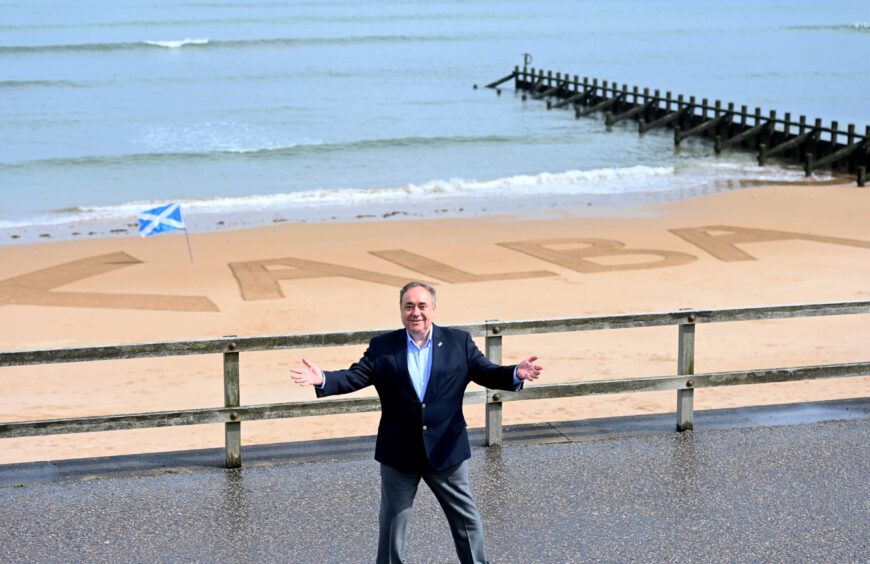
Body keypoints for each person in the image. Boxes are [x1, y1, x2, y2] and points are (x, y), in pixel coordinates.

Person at [290, 281, 543, 564]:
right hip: (399, 452)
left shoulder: (459, 342)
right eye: (409, 306)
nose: (416, 312)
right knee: (392, 528)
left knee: (466, 522)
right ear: (401, 310)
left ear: (433, 308)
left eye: (422, 305)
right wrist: (323, 378)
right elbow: (355, 376)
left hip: (447, 450)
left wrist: (515, 374)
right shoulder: (383, 346)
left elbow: (487, 372)